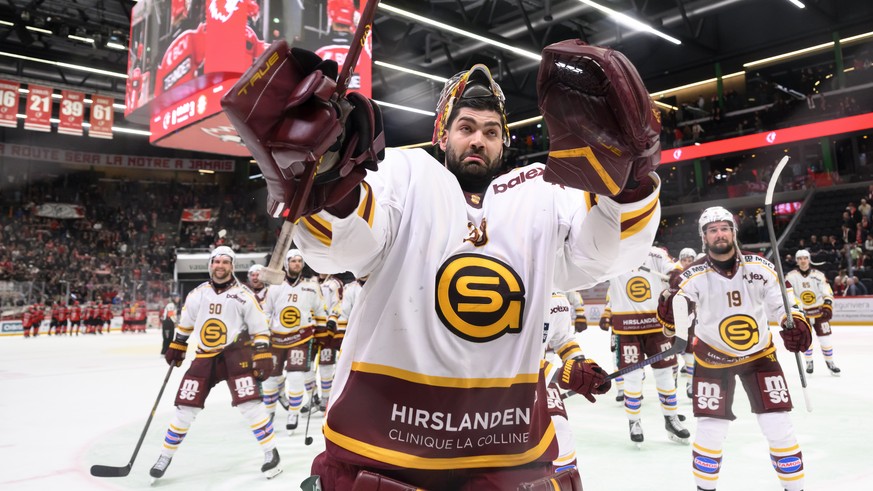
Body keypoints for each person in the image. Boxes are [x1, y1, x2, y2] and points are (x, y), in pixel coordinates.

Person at [288, 59, 661, 487]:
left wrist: (627, 183)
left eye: (491, 131)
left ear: (504, 143)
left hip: (508, 453)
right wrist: (333, 180)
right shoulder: (403, 174)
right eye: (466, 128)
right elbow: (340, 248)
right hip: (383, 451)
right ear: (442, 135)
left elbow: (601, 255)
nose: (478, 140)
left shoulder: (543, 190)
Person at [658, 206, 812, 491]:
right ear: (704, 237)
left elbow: (783, 303)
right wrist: (673, 315)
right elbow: (677, 319)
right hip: (712, 359)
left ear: (734, 232)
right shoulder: (692, 275)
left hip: (760, 357)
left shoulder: (760, 266)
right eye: (713, 230)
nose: (720, 234)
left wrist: (795, 322)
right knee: (710, 432)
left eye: (725, 228)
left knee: (778, 426)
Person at [149, 246, 282, 481]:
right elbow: (186, 325)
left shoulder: (243, 295)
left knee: (250, 404)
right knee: (185, 407)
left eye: (225, 262)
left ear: (232, 266)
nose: (220, 266)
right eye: (216, 261)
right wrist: (178, 344)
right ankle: (165, 456)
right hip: (204, 356)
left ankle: (271, 452)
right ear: (210, 265)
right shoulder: (198, 294)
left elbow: (260, 329)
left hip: (236, 355)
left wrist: (261, 353)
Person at [602, 246, 689, 446]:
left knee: (666, 374)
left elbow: (674, 269)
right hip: (626, 329)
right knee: (632, 377)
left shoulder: (655, 253)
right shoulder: (612, 254)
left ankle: (671, 418)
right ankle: (634, 422)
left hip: (656, 326)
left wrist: (676, 276)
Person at [261, 249, 327, 433]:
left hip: (301, 337)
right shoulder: (274, 288)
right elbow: (265, 312)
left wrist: (322, 332)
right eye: (293, 261)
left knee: (296, 376)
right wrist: (263, 333)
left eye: (299, 261)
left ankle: (294, 413)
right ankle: (268, 414)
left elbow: (321, 312)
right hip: (276, 339)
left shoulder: (311, 287)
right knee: (270, 379)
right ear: (286, 264)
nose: (296, 264)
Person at [785, 249, 841, 376]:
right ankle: (809, 362)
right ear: (797, 261)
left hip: (819, 313)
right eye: (800, 259)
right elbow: (789, 295)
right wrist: (795, 308)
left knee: (825, 339)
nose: (803, 261)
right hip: (802, 313)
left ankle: (830, 362)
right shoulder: (790, 276)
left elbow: (827, 291)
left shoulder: (819, 275)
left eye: (805, 258)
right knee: (806, 339)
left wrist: (827, 305)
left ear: (809, 259)